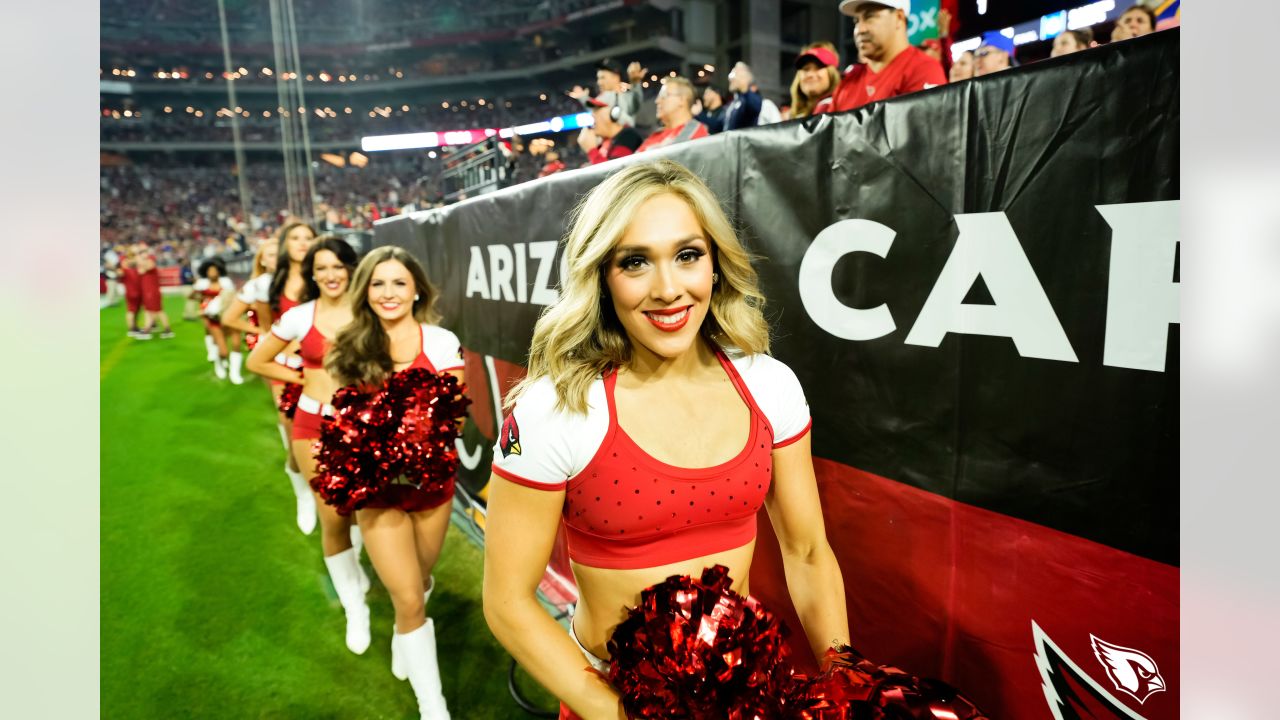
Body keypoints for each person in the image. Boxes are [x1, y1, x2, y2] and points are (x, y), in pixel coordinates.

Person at [482, 160, 849, 719]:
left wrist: (845, 680)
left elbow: (807, 552)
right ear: (601, 276)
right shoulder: (556, 406)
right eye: (635, 262)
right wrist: (618, 714)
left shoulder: (768, 384)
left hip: (744, 697)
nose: (668, 289)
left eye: (687, 255)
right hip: (611, 702)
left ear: (716, 264)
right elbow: (507, 602)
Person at [325, 246, 467, 719]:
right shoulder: (349, 346)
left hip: (431, 486)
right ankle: (434, 707)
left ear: (417, 290)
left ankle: (403, 639)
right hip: (378, 492)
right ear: (365, 290)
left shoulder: (442, 342)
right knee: (407, 596)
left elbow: (455, 420)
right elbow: (340, 421)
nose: (389, 293)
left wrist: (407, 437)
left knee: (420, 581)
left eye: (399, 283)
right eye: (378, 283)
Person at [247, 236, 372, 655]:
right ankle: (355, 604)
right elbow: (258, 360)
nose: (330, 275)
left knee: (365, 508)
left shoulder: (372, 310)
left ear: (351, 268)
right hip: (313, 425)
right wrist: (306, 381)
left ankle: (357, 571)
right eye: (321, 268)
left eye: (338, 266)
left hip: (364, 425)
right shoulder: (301, 316)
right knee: (333, 515)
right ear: (312, 274)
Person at [832, 0, 947, 112]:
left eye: (869, 17)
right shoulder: (849, 80)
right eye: (856, 21)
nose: (859, 30)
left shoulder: (923, 69)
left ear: (899, 17)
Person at [190, 258, 237, 381]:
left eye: (215, 270)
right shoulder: (202, 283)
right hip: (209, 313)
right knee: (210, 331)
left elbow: (232, 296)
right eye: (210, 270)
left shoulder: (226, 282)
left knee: (226, 340)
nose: (212, 273)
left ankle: (221, 357)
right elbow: (192, 295)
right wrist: (201, 301)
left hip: (224, 314)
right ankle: (217, 358)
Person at [636, 77, 709, 153]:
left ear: (682, 100)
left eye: (663, 96)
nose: (657, 101)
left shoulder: (697, 135)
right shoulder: (656, 135)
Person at [576, 92, 644, 165]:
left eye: (596, 110)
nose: (592, 115)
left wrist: (591, 150)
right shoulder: (604, 142)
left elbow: (615, 171)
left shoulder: (628, 136)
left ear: (613, 114)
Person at [790, 42, 841, 118]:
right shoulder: (793, 116)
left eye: (818, 67)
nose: (810, 74)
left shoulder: (842, 108)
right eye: (806, 69)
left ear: (832, 74)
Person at [136, 245, 175, 339]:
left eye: (143, 252)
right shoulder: (146, 262)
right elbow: (140, 271)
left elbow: (147, 266)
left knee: (156, 311)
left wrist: (139, 258)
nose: (142, 254)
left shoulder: (150, 260)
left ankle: (164, 330)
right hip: (148, 291)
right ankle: (149, 329)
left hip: (152, 291)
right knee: (151, 310)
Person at [723, 62, 764, 131]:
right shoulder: (734, 102)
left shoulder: (751, 99)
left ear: (744, 77)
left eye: (733, 75)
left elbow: (754, 107)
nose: (730, 79)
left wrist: (744, 88)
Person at [120, 248, 144, 338]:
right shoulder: (125, 270)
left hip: (139, 293)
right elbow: (121, 268)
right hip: (131, 293)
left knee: (137, 311)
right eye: (130, 258)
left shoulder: (137, 269)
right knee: (131, 311)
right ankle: (131, 329)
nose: (133, 260)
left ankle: (135, 327)